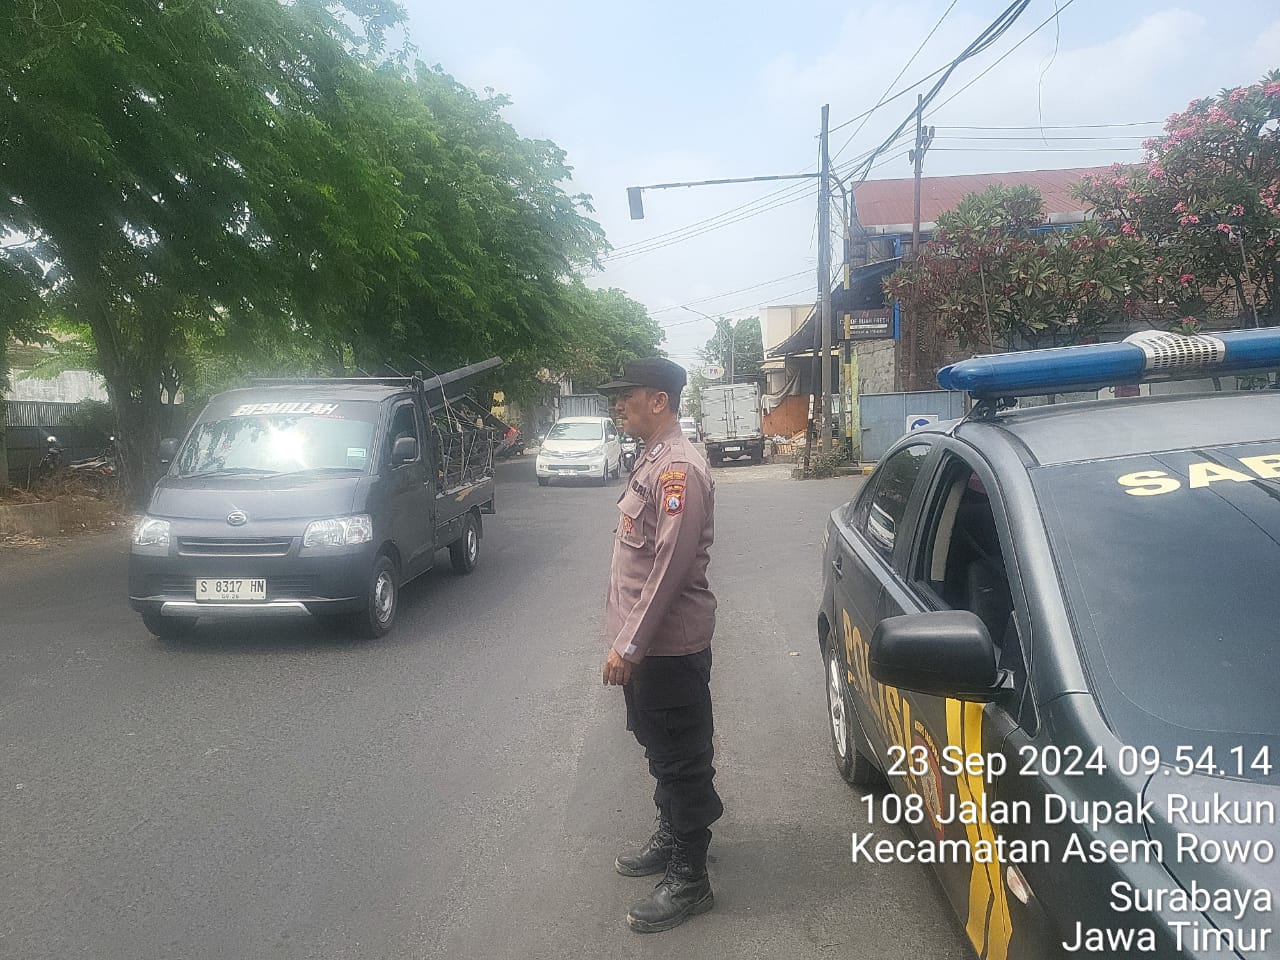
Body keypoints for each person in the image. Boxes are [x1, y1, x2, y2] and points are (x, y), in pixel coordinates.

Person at [598, 357, 722, 933]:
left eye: (628, 394)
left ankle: (691, 879)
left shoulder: (677, 469)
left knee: (683, 761)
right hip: (652, 649)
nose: (618, 403)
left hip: (666, 648)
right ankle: (672, 837)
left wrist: (628, 645)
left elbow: (669, 570)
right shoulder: (651, 459)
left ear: (659, 401)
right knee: (661, 750)